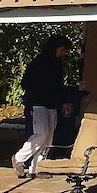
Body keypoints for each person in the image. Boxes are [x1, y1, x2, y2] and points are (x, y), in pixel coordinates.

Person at [12, 34, 73, 179]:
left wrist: (63, 101)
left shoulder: (58, 64)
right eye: (62, 50)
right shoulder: (38, 62)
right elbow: (26, 83)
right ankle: (19, 158)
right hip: (37, 103)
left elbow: (58, 85)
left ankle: (37, 168)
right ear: (55, 47)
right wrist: (39, 92)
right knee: (41, 133)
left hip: (53, 104)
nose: (63, 53)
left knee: (48, 137)